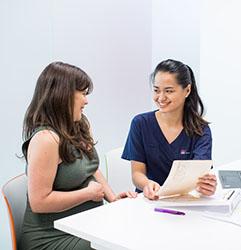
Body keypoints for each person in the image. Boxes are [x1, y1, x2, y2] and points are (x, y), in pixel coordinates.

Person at [20, 62, 137, 250]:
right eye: (83, 93)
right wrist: (88, 194)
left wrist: (112, 199)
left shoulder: (80, 124)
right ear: (63, 95)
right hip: (51, 236)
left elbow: (91, 168)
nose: (86, 101)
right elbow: (39, 202)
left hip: (86, 225)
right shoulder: (46, 139)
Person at [122, 59, 217, 200]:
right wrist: (147, 184)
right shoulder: (140, 124)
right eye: (156, 90)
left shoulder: (200, 130)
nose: (161, 98)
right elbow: (137, 174)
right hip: (150, 202)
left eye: (169, 91)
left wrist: (206, 186)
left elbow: (200, 175)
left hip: (185, 203)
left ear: (187, 90)